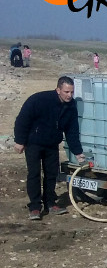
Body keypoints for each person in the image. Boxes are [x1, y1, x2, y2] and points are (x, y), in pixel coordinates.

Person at [13, 76, 86, 220]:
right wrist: (20, 141)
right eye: (66, 92)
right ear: (58, 90)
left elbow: (71, 130)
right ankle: (34, 207)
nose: (69, 95)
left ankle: (50, 203)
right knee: (34, 174)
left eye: (71, 92)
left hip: (52, 145)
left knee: (51, 174)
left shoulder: (70, 106)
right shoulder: (39, 100)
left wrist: (77, 152)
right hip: (34, 143)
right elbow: (22, 119)